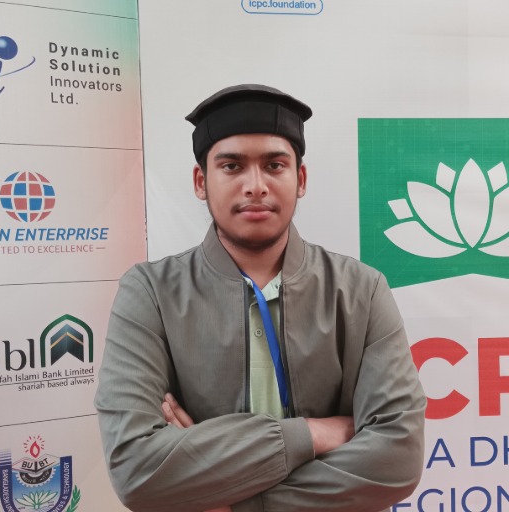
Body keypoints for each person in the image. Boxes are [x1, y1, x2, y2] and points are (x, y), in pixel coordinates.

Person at [95, 84, 426, 512]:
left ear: (300, 179)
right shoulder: (150, 293)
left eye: (274, 165)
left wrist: (218, 494)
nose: (255, 186)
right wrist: (313, 434)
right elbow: (136, 470)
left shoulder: (361, 290)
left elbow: (397, 460)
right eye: (232, 166)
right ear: (201, 181)